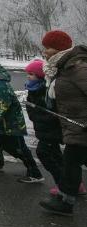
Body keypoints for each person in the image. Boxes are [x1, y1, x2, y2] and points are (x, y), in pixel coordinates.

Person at [38, 30, 87, 216]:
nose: (45, 52)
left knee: (71, 162)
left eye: (48, 48)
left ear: (59, 48)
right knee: (72, 162)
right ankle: (65, 199)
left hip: (82, 127)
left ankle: (66, 202)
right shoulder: (63, 66)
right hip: (75, 125)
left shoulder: (77, 67)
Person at [0, 55, 43, 183]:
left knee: (18, 148)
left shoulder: (0, 85)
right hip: (4, 124)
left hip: (10, 124)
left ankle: (35, 173)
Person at [25, 59, 74, 195]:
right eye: (27, 73)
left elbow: (54, 113)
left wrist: (39, 116)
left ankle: (63, 185)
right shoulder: (32, 90)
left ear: (40, 76)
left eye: (31, 74)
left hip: (52, 131)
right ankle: (73, 183)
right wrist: (35, 115)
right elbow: (31, 111)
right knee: (57, 157)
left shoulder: (47, 91)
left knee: (44, 153)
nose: (28, 76)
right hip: (43, 130)